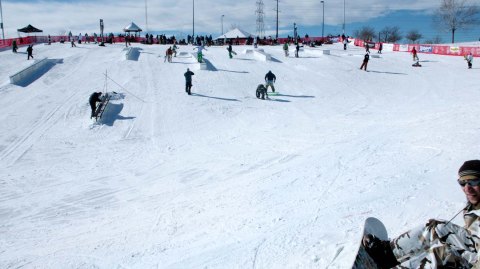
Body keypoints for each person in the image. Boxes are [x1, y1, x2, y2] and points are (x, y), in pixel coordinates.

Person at [363, 160, 480, 269]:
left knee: (443, 254)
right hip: (475, 249)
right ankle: (387, 254)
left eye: (473, 182)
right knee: (436, 227)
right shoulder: (475, 205)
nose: (467, 188)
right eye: (462, 183)